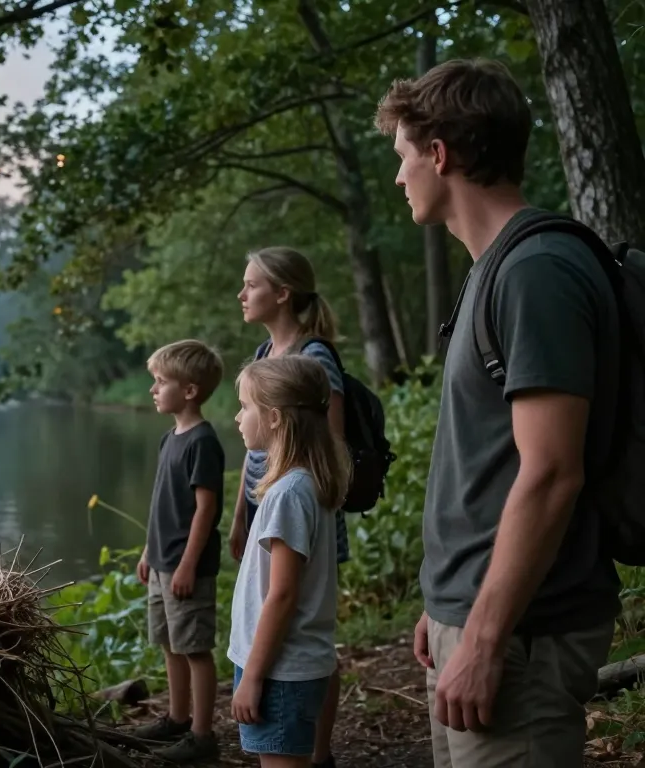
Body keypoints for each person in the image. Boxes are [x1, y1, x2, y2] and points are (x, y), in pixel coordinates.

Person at [374, 58, 621, 767]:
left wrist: (482, 637)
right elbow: (489, 462)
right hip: (480, 617)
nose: (399, 178)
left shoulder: (534, 273)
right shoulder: (495, 269)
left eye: (403, 158)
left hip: (521, 636)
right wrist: (446, 598)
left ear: (439, 153)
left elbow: (550, 474)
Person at [230, 245, 349, 768]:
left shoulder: (314, 358)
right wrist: (240, 514)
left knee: (296, 603)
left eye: (251, 283)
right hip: (273, 502)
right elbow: (256, 456)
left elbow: (330, 440)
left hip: (292, 506)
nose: (242, 293)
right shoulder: (263, 358)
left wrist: (254, 675)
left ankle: (316, 753)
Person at [132, 338, 226, 763]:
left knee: (195, 648)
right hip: (162, 562)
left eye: (161, 381)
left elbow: (206, 510)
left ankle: (203, 736)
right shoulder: (170, 438)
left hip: (187, 567)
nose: (153, 389)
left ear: (188, 390)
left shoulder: (202, 442)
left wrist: (188, 564)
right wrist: (149, 552)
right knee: (170, 643)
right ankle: (177, 717)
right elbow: (160, 501)